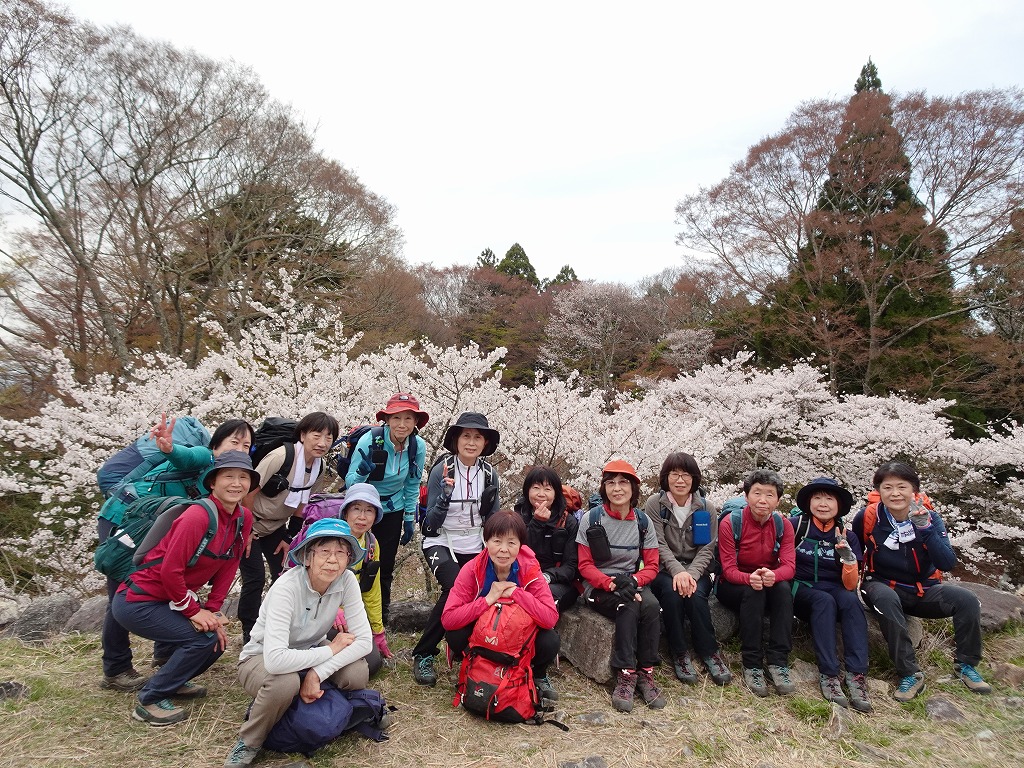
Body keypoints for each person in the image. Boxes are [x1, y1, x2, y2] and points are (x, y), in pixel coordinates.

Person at [98, 416, 255, 692]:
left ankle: (167, 657)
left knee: (172, 575)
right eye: (234, 442)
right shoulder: (205, 458)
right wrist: (170, 448)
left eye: (246, 446)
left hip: (161, 523)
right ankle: (116, 668)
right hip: (128, 519)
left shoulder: (229, 480)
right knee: (125, 590)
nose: (240, 450)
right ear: (215, 444)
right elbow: (185, 457)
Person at [224, 518, 373, 767]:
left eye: (340, 553)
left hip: (311, 650)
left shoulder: (346, 580)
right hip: (260, 657)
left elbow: (365, 642)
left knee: (357, 672)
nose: (333, 560)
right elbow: (276, 660)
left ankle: (321, 708)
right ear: (307, 556)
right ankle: (250, 741)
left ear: (349, 558)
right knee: (285, 683)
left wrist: (316, 673)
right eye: (324, 551)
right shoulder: (286, 587)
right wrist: (331, 650)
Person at [852, 461, 991, 701]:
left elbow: (946, 562)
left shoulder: (931, 517)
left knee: (967, 600)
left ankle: (966, 665)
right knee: (886, 599)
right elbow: (856, 553)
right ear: (878, 491)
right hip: (881, 585)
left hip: (923, 590)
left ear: (914, 490)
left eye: (902, 487)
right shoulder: (869, 517)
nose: (895, 493)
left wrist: (926, 529)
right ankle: (910, 673)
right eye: (887, 487)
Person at [412, 411, 500, 686]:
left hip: (476, 541)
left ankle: (463, 644)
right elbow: (430, 522)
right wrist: (445, 497)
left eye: (477, 437)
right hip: (440, 540)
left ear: (485, 443)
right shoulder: (443, 470)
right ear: (456, 440)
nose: (471, 442)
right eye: (466, 436)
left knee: (484, 588)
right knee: (455, 587)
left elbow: (493, 518)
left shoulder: (489, 474)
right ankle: (424, 653)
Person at [442, 510, 561, 706]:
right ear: (486, 541)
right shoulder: (473, 569)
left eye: (511, 543)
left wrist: (516, 593)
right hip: (484, 636)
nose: (503, 550)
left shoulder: (530, 569)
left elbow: (549, 618)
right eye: (497, 541)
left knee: (550, 640)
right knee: (454, 633)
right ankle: (478, 666)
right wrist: (488, 600)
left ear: (520, 545)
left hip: (518, 638)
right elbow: (448, 618)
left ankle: (537, 674)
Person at [239, 411, 338, 643]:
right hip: (249, 523)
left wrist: (289, 536)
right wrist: (247, 529)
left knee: (285, 575)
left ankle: (278, 627)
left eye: (329, 437)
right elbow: (248, 491)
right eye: (316, 435)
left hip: (276, 526)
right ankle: (249, 632)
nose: (322, 443)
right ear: (302, 435)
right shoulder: (281, 456)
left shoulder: (319, 466)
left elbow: (304, 503)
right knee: (255, 578)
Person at [576, 459, 665, 713]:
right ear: (604, 488)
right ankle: (625, 673)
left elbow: (652, 565)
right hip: (599, 586)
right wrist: (611, 583)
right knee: (628, 605)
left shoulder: (643, 522)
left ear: (633, 488)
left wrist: (634, 581)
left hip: (631, 581)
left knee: (651, 606)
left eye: (623, 482)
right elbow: (585, 565)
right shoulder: (592, 519)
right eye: (611, 483)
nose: (617, 488)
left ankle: (646, 672)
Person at [644, 452, 731, 686]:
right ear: (666, 477)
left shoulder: (706, 508)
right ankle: (680, 652)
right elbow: (657, 543)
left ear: (694, 478)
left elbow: (707, 548)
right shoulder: (655, 504)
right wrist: (677, 572)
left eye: (686, 475)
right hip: (664, 570)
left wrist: (690, 574)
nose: (680, 480)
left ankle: (710, 652)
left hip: (697, 570)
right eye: (675, 474)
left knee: (695, 594)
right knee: (672, 594)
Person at [345, 393, 428, 626]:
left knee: (384, 564)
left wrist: (409, 518)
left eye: (408, 418)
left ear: (416, 422)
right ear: (387, 419)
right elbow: (350, 483)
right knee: (352, 559)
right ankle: (348, 613)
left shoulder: (417, 447)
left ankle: (379, 617)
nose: (402, 424)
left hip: (393, 507)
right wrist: (362, 472)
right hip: (364, 506)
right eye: (396, 418)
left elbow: (412, 483)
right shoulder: (369, 441)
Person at [789, 477, 871, 711]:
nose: (822, 504)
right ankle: (829, 673)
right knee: (823, 601)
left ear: (838, 505)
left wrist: (848, 559)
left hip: (836, 588)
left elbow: (850, 584)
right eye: (817, 498)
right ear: (809, 503)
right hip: (801, 588)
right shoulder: (796, 527)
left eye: (829, 499)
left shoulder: (847, 535)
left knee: (851, 601)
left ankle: (856, 674)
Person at [716, 469, 796, 698]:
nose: (763, 500)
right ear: (746, 496)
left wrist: (774, 575)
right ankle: (752, 663)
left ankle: (778, 662)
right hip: (732, 584)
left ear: (778, 500)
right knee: (754, 592)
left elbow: (789, 566)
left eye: (770, 495)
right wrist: (748, 578)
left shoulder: (783, 525)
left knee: (783, 589)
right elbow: (729, 569)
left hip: (767, 579)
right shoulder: (731, 523)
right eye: (757, 493)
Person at [339, 483, 393, 676]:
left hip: (350, 614)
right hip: (320, 614)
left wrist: (378, 631)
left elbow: (372, 590)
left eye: (369, 510)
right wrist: (334, 610)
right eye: (356, 509)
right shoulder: (332, 537)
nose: (362, 517)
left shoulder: (371, 544)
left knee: (372, 663)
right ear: (346, 512)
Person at [514, 466, 580, 613]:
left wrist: (548, 576)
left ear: (556, 493)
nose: (541, 494)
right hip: (522, 577)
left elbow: (571, 566)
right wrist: (537, 523)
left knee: (541, 598)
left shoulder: (567, 522)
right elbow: (517, 553)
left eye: (548, 489)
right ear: (527, 491)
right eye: (536, 488)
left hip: (556, 581)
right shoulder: (517, 518)